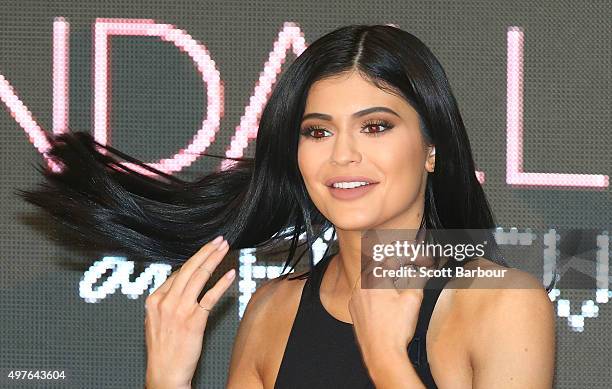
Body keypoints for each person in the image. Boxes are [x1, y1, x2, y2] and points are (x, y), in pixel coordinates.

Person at [18, 24, 556, 388]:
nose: (343, 155)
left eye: (375, 126)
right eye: (317, 132)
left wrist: (388, 358)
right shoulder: (274, 309)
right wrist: (168, 379)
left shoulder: (503, 305)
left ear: (432, 148)